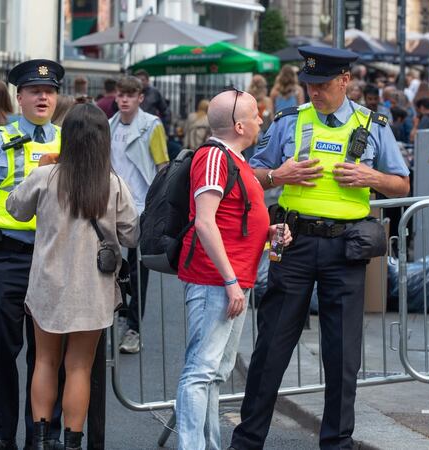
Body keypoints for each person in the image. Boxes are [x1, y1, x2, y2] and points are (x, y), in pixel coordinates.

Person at [230, 46, 410, 450]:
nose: (314, 92)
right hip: (293, 244)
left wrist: (371, 175)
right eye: (309, 84)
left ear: (345, 80)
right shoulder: (290, 121)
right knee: (271, 346)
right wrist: (279, 174)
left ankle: (336, 442)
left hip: (347, 248)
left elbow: (401, 184)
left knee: (343, 353)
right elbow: (252, 175)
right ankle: (247, 441)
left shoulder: (373, 124)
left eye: (323, 85)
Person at [6, 103, 138, 450]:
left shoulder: (46, 177)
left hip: (47, 285)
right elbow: (132, 234)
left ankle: (39, 437)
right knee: (80, 367)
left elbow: (14, 209)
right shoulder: (112, 184)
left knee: (45, 362)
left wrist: (41, 166)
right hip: (92, 288)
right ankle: (72, 443)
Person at [0, 59, 67, 450]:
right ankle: (0, 436)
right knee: (1, 351)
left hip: (54, 257)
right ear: (18, 97)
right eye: (35, 91)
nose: (43, 97)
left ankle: (45, 434)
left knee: (51, 352)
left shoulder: (68, 142)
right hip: (4, 256)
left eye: (50, 91)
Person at [174, 89, 290, 450]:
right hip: (218, 280)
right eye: (256, 114)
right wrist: (229, 281)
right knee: (201, 371)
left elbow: (228, 219)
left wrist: (268, 232)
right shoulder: (214, 157)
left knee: (213, 373)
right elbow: (205, 223)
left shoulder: (231, 158)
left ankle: (207, 444)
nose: (261, 119)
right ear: (240, 125)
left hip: (230, 280)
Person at [109, 76, 169, 354]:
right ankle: (119, 316)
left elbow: (162, 165)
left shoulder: (150, 126)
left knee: (138, 270)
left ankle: (133, 326)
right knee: (111, 265)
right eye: (121, 95)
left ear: (140, 98)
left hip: (142, 206)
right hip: (113, 205)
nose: (124, 100)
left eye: (130, 95)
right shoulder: (109, 126)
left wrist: (160, 205)